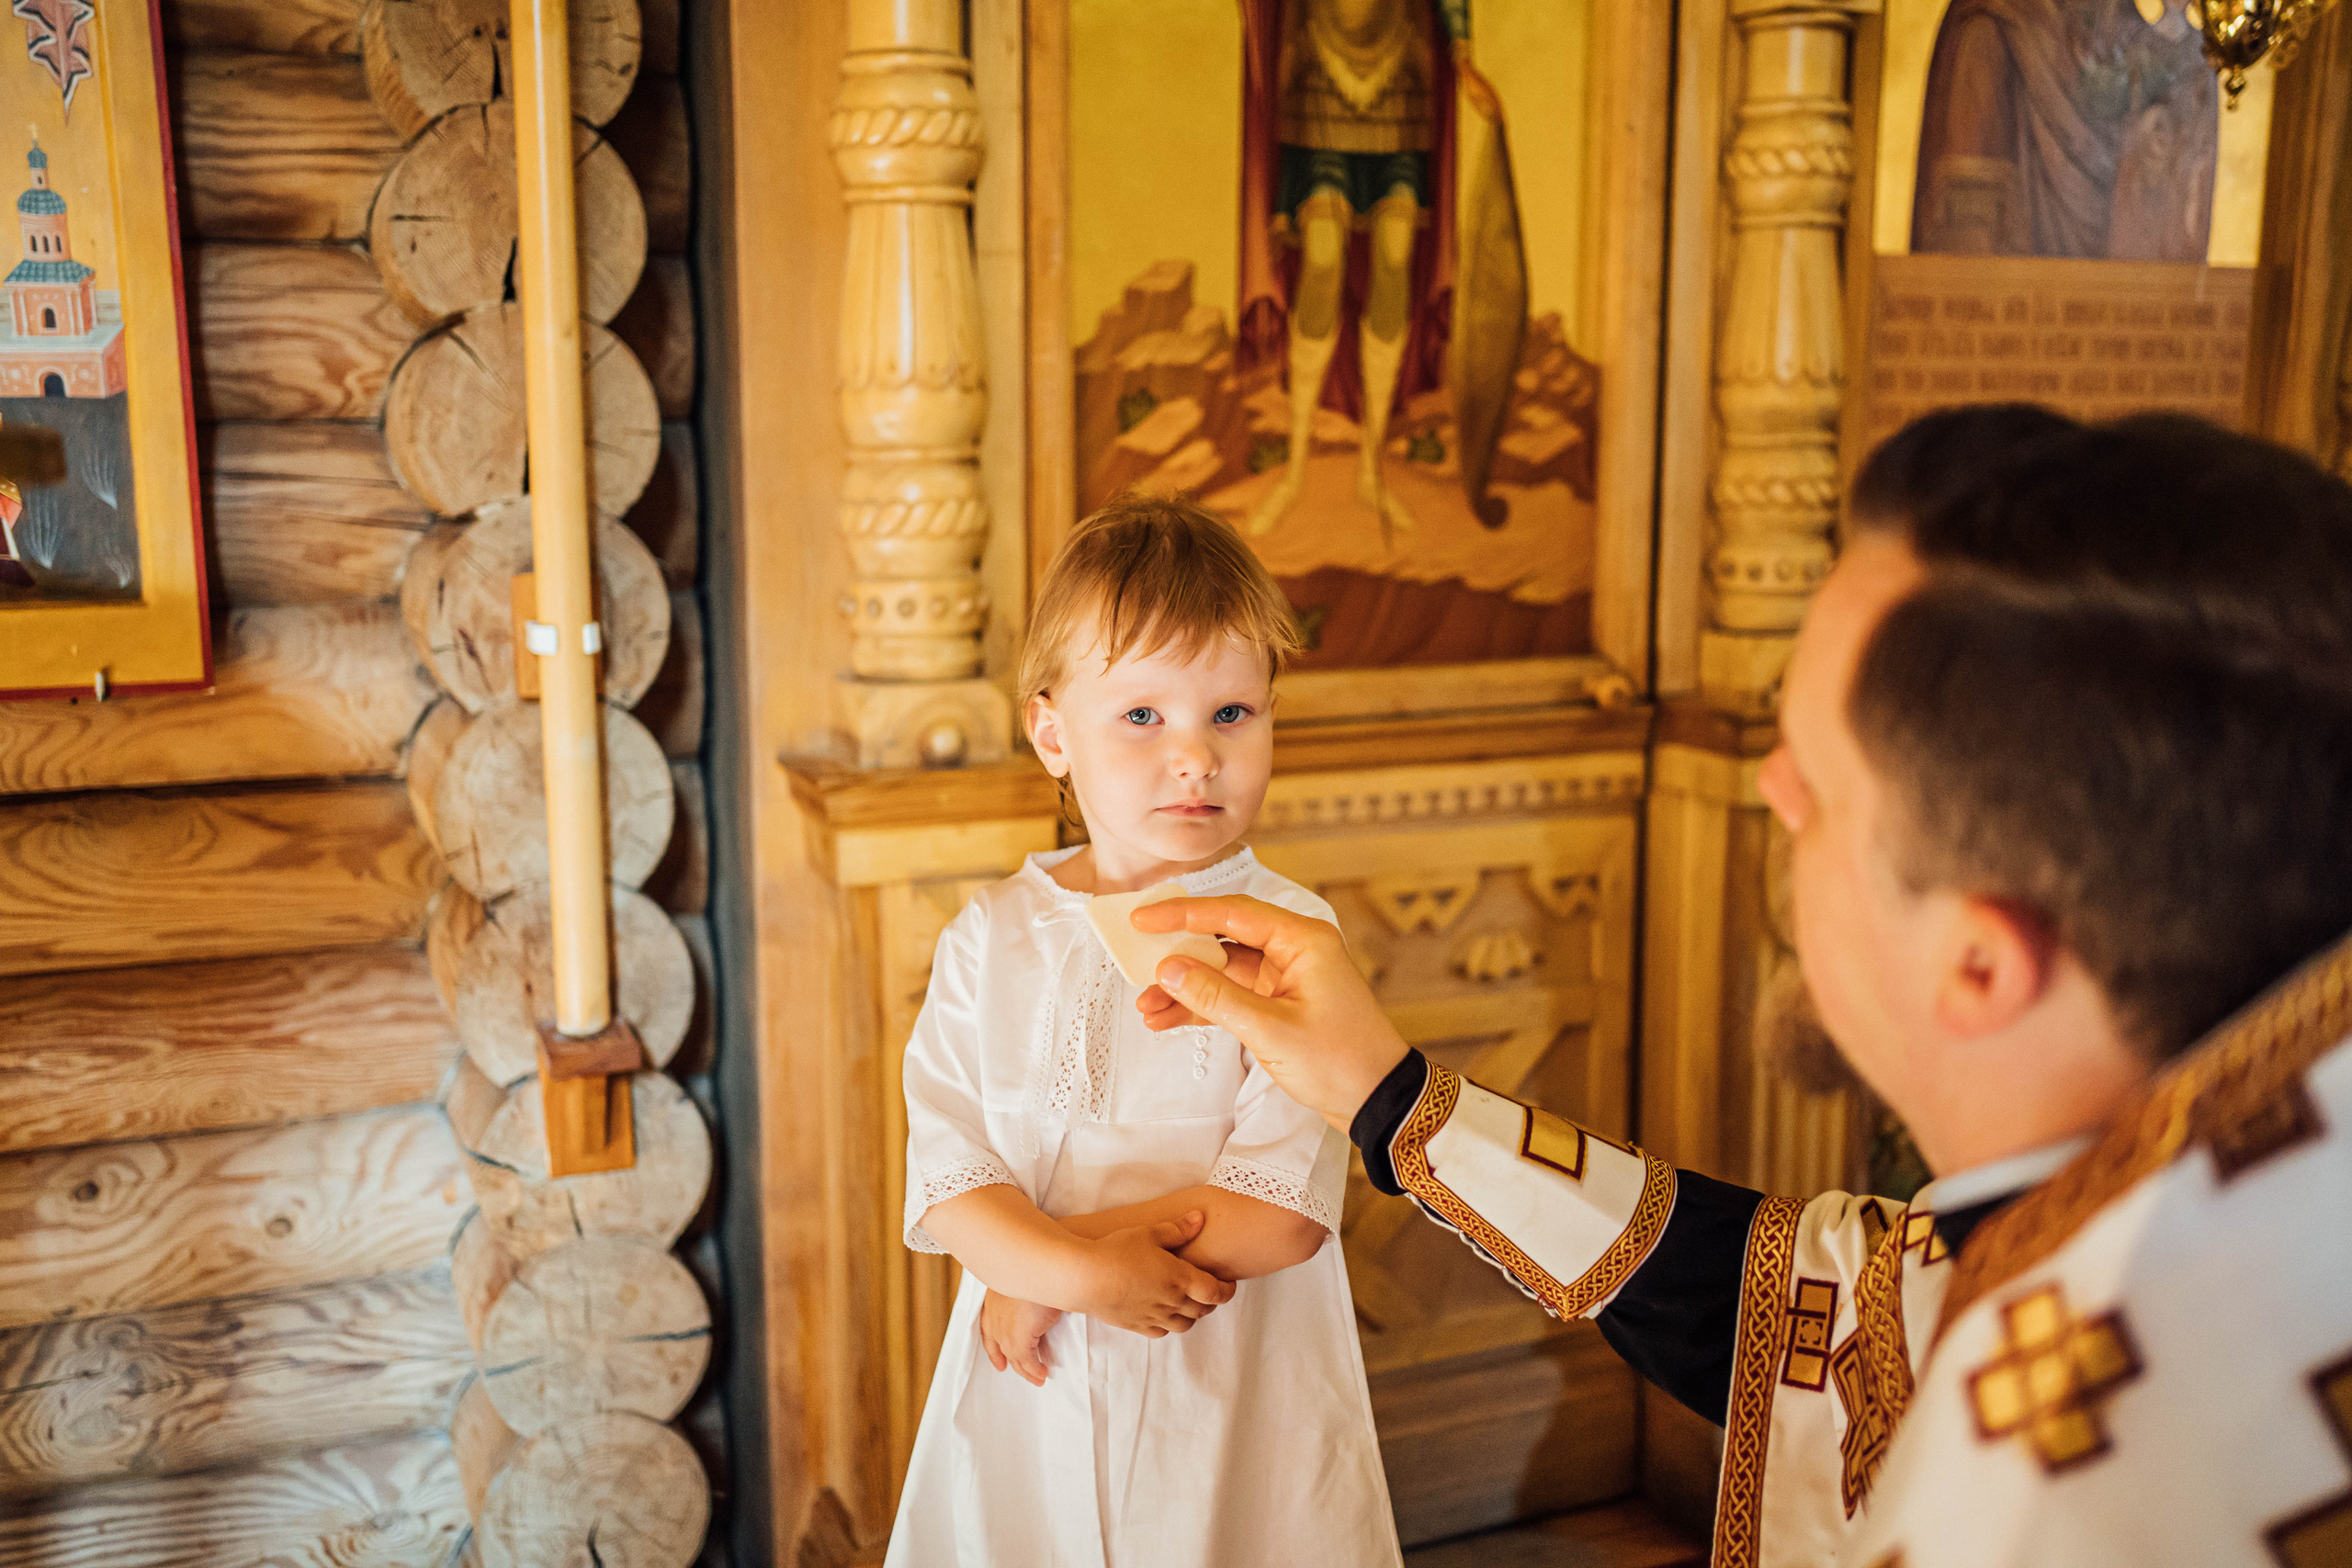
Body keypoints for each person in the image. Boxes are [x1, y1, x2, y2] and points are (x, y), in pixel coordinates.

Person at [1130, 407, 2352, 1565]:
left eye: (1812, 785)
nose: (1763, 792)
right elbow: (1821, 1311)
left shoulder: (2058, 1503)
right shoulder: (2222, 1213)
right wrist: (1390, 1094)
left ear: (1977, 964)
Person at [886, 496, 1402, 1567]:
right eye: (1141, 717)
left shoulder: (1295, 939)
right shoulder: (988, 939)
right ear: (1050, 733)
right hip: (1034, 1379)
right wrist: (1066, 1281)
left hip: (1226, 1377)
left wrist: (1048, 1272)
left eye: (1230, 715)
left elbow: (1278, 1214)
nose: (1195, 759)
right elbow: (951, 1179)